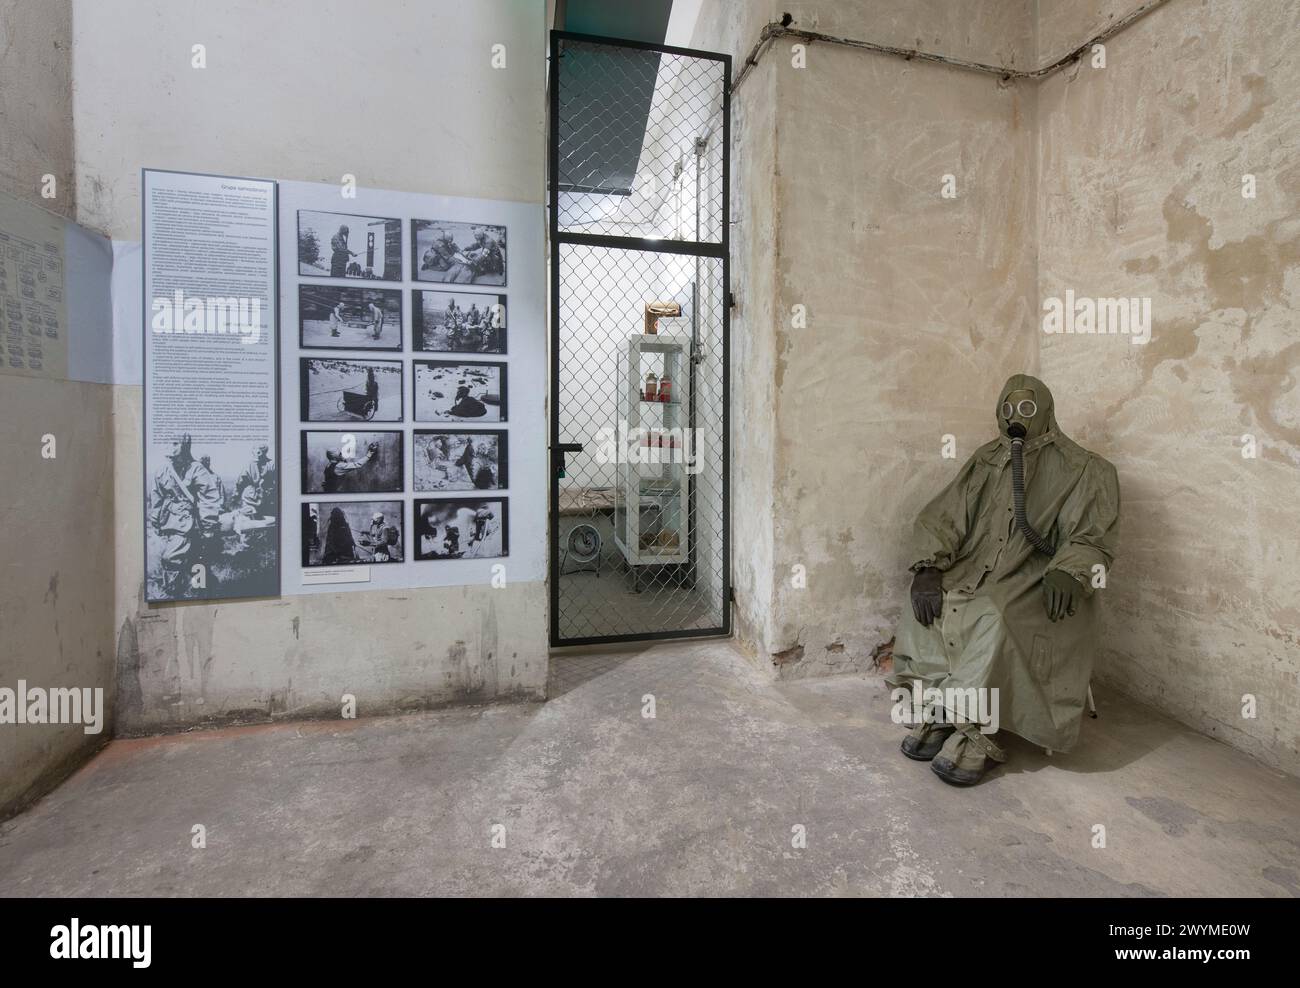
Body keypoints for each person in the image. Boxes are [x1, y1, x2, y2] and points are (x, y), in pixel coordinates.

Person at [886, 374, 1120, 786]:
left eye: (1027, 408)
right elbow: (943, 516)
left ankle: (977, 732)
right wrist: (927, 566)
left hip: (1036, 576)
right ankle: (942, 711)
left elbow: (1092, 537)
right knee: (927, 600)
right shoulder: (987, 459)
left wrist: (1070, 570)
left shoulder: (1086, 468)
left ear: (1046, 410)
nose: (1016, 417)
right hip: (977, 567)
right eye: (1008, 408)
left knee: (993, 613)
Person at [149, 434, 222, 598]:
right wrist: (156, 522)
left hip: (193, 523)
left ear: (185, 446)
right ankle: (179, 593)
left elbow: (209, 499)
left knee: (189, 559)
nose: (171, 447)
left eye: (176, 443)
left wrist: (209, 526)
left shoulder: (197, 469)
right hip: (172, 522)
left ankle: (189, 592)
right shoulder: (162, 471)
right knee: (181, 559)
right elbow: (156, 498)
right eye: (168, 442)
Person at [235, 444, 275, 517]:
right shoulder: (272, 464)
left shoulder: (249, 464)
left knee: (249, 520)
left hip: (253, 497)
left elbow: (240, 482)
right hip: (263, 497)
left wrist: (235, 497)